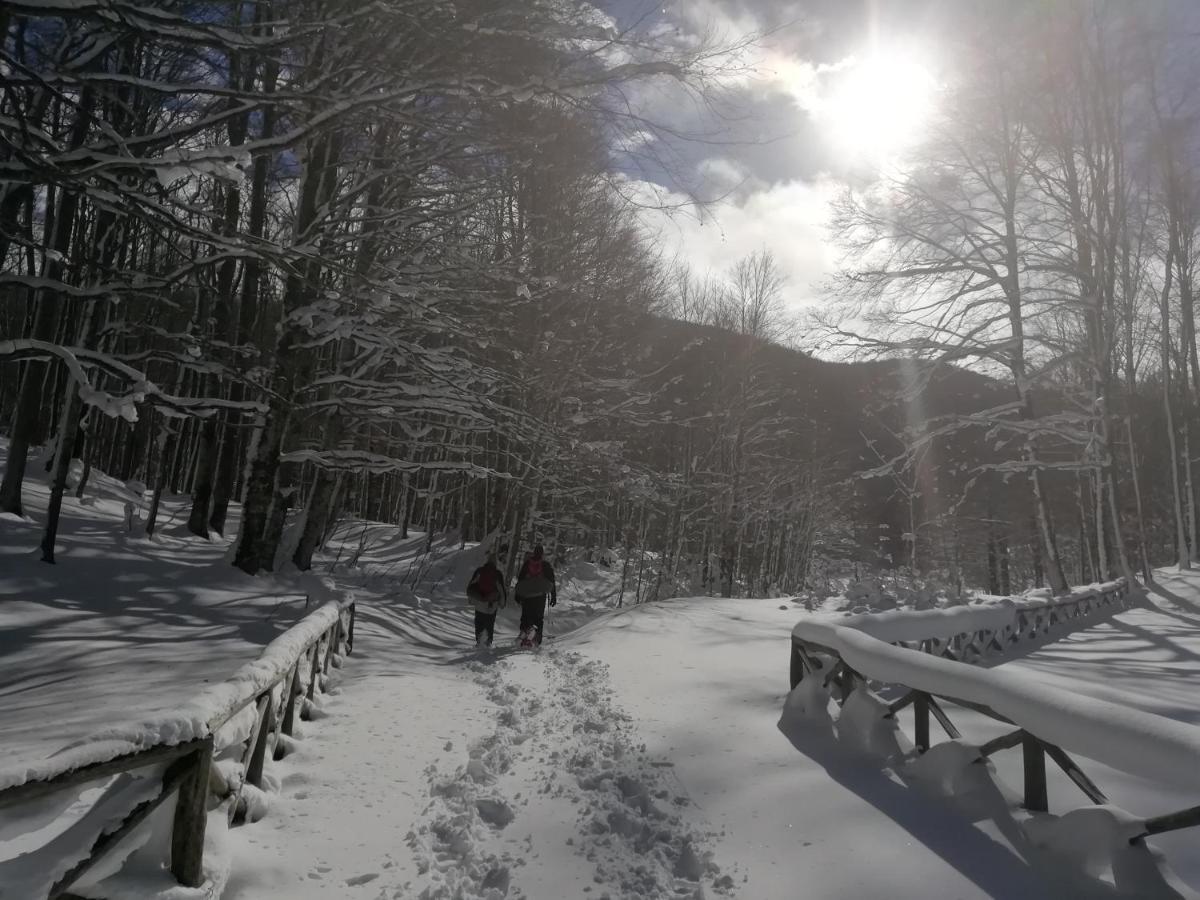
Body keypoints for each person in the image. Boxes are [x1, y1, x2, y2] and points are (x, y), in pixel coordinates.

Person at [513, 543, 556, 647]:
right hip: (540, 597)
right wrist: (553, 596)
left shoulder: (527, 564)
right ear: (542, 554)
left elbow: (520, 580)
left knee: (526, 616)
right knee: (538, 618)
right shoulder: (545, 565)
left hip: (527, 596)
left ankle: (524, 633)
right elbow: (551, 581)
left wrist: (517, 595)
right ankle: (536, 640)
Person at [466, 553, 506, 647]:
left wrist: (471, 600)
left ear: (487, 561)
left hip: (480, 603)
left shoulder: (479, 571)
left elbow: (470, 586)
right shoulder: (498, 574)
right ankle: (488, 643)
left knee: (479, 622)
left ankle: (479, 641)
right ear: (495, 563)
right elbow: (501, 590)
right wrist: (502, 604)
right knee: (489, 623)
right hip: (492, 605)